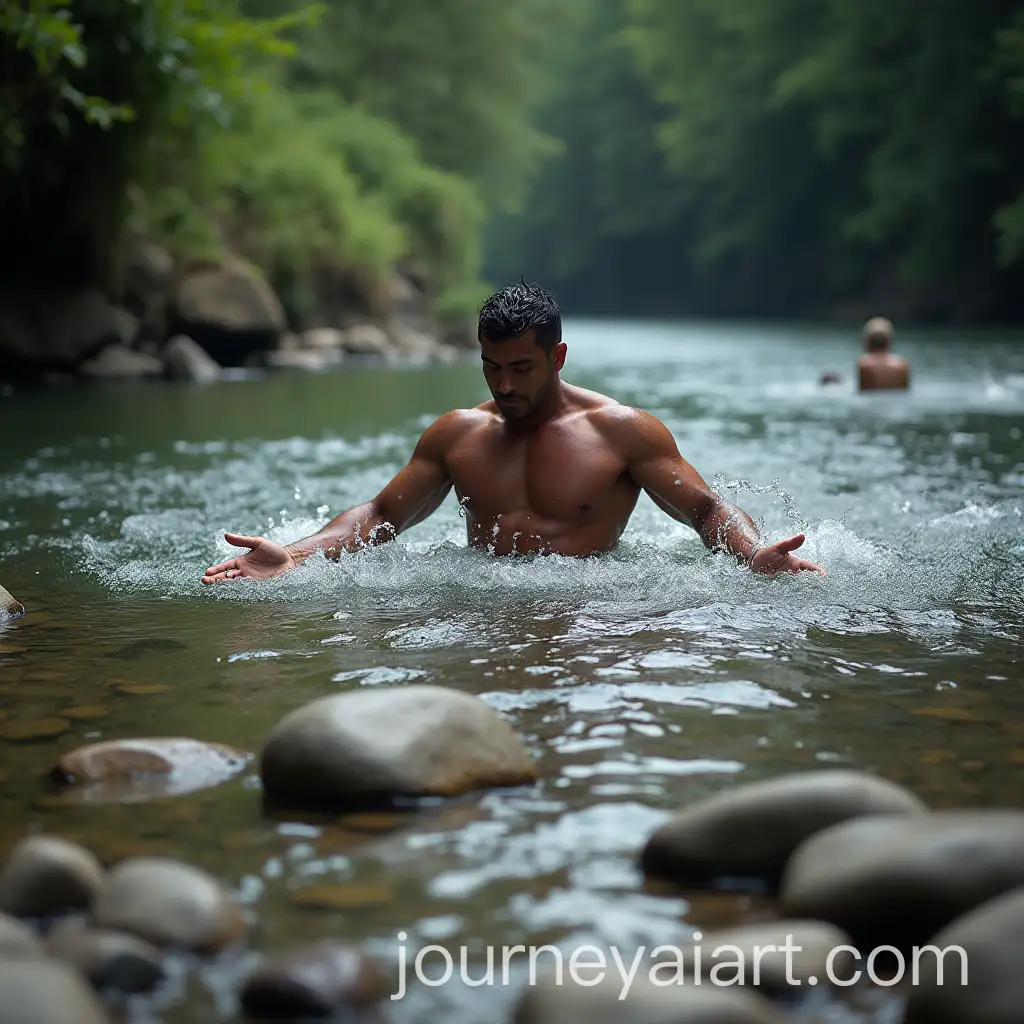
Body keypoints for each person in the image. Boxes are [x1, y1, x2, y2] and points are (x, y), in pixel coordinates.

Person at [202, 282, 826, 584]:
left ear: (557, 357)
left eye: (521, 368)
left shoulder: (621, 433)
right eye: (491, 367)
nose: (504, 386)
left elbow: (707, 509)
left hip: (589, 609)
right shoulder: (459, 435)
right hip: (480, 602)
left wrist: (752, 554)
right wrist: (297, 555)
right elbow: (378, 516)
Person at [857, 316, 910, 391]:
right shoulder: (902, 364)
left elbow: (865, 392)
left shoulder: (864, 364)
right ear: (889, 342)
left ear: (867, 342)